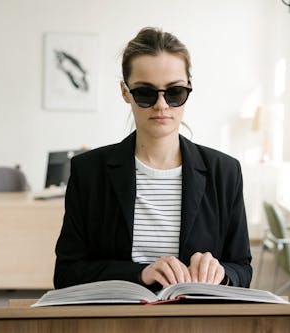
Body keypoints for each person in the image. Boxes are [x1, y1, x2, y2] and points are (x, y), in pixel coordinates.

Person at [54, 27, 252, 290]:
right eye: (146, 93)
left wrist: (221, 273)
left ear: (189, 89)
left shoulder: (224, 172)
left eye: (174, 93)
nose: (162, 105)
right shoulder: (89, 171)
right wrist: (139, 274)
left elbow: (242, 268)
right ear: (125, 92)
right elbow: (67, 273)